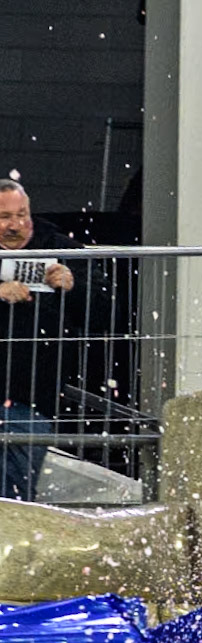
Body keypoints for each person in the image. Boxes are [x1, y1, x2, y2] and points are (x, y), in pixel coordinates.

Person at [0, 177, 81, 501]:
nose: (16, 225)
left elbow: (107, 312)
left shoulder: (62, 249)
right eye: (5, 217)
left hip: (30, 395)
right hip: (27, 394)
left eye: (22, 215)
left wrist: (75, 287)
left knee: (16, 490)